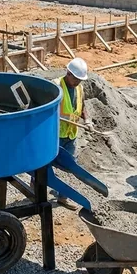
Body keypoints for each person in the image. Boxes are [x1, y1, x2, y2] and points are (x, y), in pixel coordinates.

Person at [52, 57, 92, 208]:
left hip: (71, 135)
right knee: (45, 165)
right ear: (68, 73)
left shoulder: (79, 88)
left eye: (80, 80)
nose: (78, 82)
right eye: (76, 79)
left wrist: (87, 120)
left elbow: (82, 106)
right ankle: (36, 186)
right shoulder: (56, 87)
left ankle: (63, 197)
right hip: (56, 135)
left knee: (69, 167)